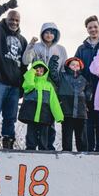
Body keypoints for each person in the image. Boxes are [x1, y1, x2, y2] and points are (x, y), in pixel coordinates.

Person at [0, 0, 28, 149]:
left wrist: (23, 86)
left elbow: (24, 66)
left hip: (14, 85)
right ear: (6, 19)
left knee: (10, 117)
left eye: (17, 20)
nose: (14, 22)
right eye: (11, 19)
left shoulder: (23, 40)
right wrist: (6, 6)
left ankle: (8, 142)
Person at [22, 22, 67, 151]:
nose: (49, 35)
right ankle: (30, 146)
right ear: (42, 33)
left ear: (56, 35)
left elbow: (63, 69)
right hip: (35, 86)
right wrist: (30, 46)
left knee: (48, 119)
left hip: (51, 87)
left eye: (52, 33)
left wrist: (61, 88)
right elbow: (26, 60)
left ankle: (47, 146)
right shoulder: (36, 47)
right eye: (46, 32)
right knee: (33, 117)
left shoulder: (61, 49)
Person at [75, 15, 99, 151]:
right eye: (90, 27)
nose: (93, 29)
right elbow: (76, 68)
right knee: (88, 121)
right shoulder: (81, 49)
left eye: (95, 27)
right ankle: (89, 149)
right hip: (86, 90)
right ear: (87, 30)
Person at [18, 60, 64, 150]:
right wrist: (31, 72)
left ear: (45, 72)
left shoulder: (48, 85)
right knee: (31, 133)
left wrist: (59, 116)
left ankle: (43, 149)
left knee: (44, 134)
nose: (39, 72)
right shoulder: (30, 82)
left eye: (41, 71)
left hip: (44, 114)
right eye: (37, 70)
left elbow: (53, 101)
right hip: (31, 114)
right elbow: (28, 86)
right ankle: (30, 148)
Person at [49, 55, 91, 152]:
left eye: (77, 65)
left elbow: (89, 88)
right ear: (68, 66)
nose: (75, 66)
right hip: (67, 111)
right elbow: (53, 73)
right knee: (67, 135)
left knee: (81, 136)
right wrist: (53, 61)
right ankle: (66, 153)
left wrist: (88, 96)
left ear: (80, 67)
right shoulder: (62, 77)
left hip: (81, 113)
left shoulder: (83, 79)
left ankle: (83, 154)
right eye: (73, 64)